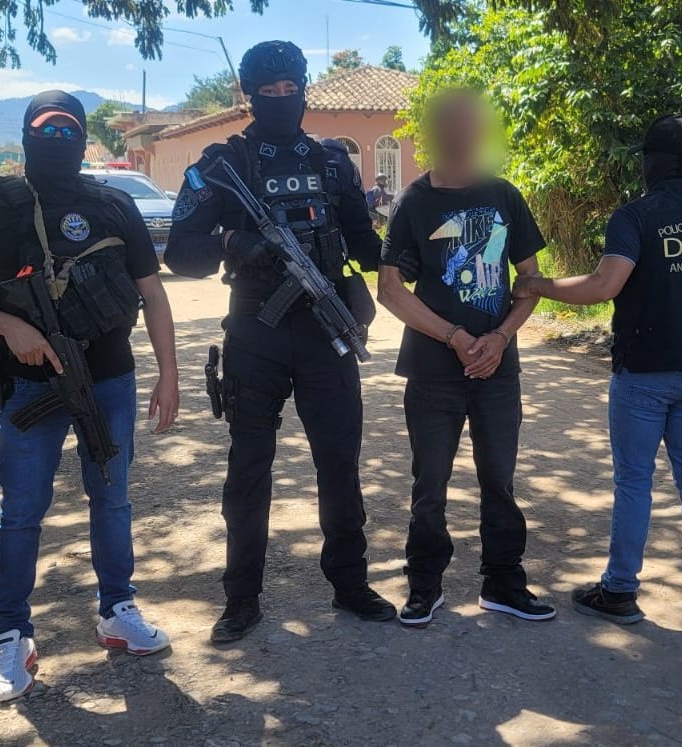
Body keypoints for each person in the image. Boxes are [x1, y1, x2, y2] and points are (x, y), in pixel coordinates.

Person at [0, 90, 180, 702]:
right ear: (25, 136)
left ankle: (117, 609)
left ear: (85, 138)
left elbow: (153, 294)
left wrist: (169, 374)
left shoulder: (114, 205)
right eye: (46, 130)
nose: (58, 141)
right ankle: (11, 633)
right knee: (22, 510)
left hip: (110, 378)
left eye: (69, 131)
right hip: (29, 386)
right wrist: (9, 327)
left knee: (112, 498)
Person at [164, 41, 396, 643]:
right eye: (267, 92)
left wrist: (412, 256)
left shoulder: (331, 162)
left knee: (338, 462)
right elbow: (179, 251)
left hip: (325, 331)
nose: (280, 98)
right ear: (249, 96)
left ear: (304, 90)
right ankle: (241, 598)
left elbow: (365, 243)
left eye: (289, 88)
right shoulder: (223, 164)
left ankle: (350, 583)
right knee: (249, 468)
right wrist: (229, 244)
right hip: (256, 331)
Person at [514, 114, 682, 623]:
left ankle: (620, 591)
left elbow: (604, 285)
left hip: (644, 374)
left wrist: (538, 285)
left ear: (652, 162)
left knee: (635, 481)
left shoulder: (636, 216)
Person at [378, 88, 555, 628]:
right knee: (429, 486)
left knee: (499, 481)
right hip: (433, 373)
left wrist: (500, 337)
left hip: (498, 371)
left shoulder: (504, 196)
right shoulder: (413, 202)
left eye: (467, 123)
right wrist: (454, 336)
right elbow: (390, 289)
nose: (458, 133)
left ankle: (503, 582)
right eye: (448, 123)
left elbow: (530, 280)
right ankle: (424, 585)